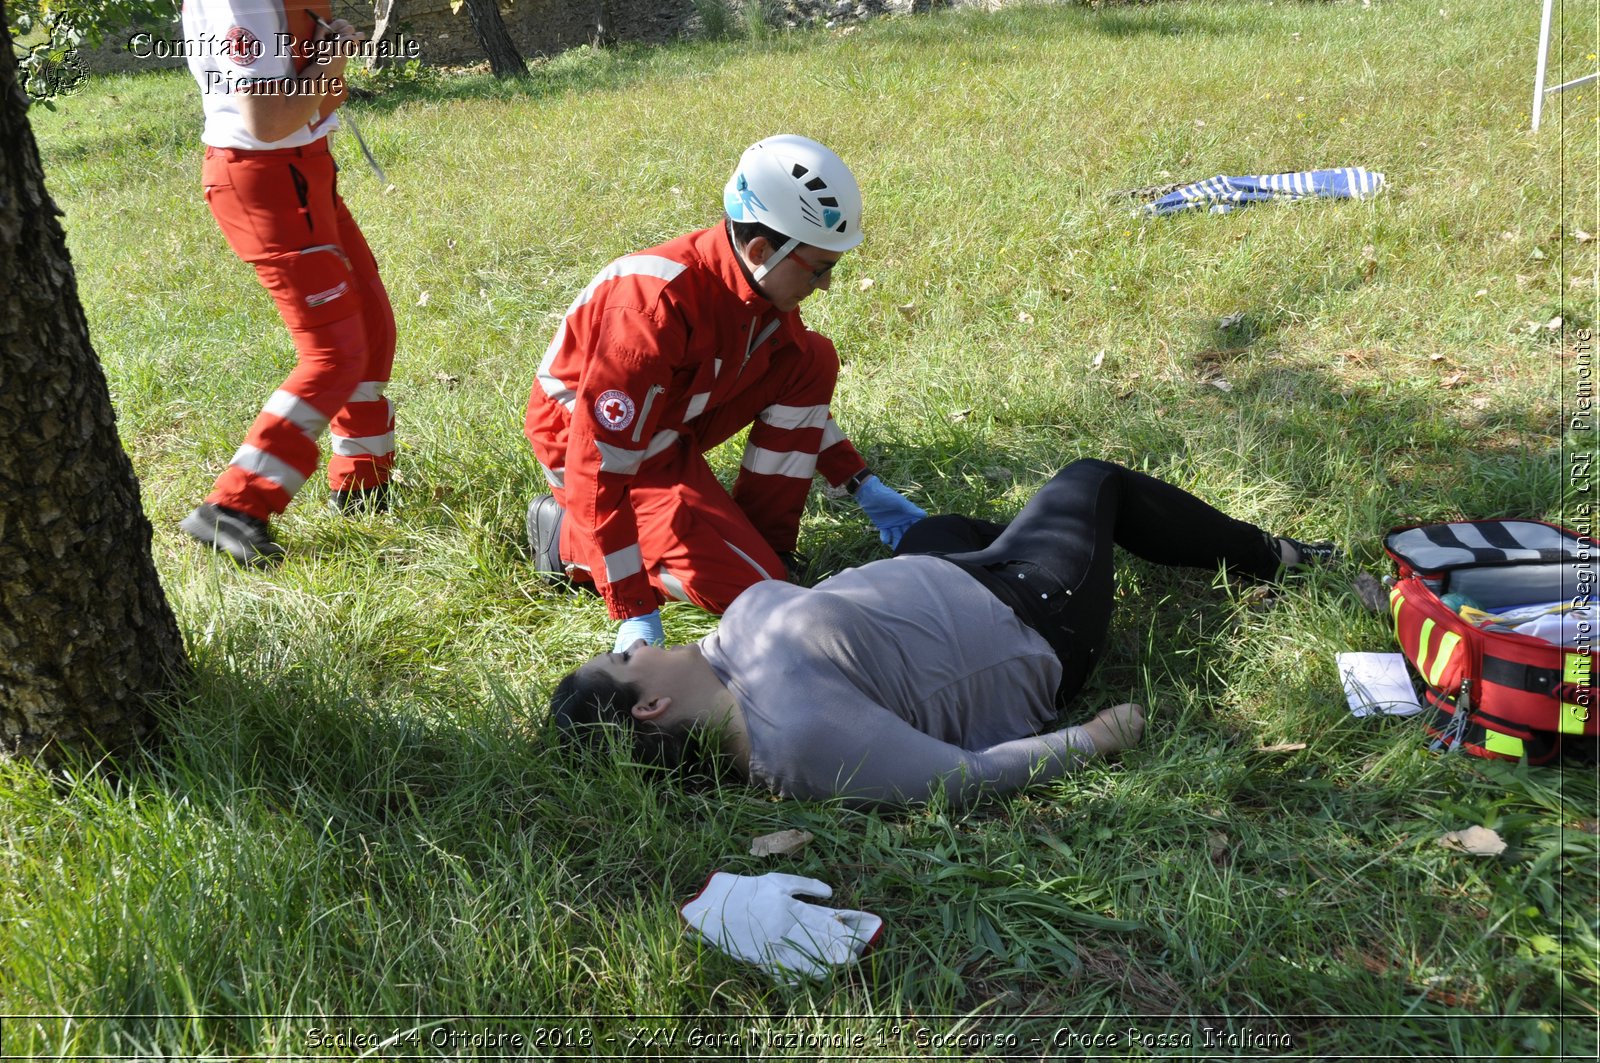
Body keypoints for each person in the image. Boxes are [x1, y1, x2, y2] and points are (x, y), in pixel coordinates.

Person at [548, 459, 1336, 810]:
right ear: (649, 705)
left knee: (945, 525)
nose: (634, 643)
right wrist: (1097, 737)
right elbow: (959, 778)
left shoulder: (727, 660)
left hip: (961, 572)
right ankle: (1279, 556)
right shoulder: (799, 737)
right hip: (1033, 614)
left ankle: (1045, 539)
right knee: (1091, 482)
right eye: (623, 660)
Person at [523, 134, 927, 652]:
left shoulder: (758, 288)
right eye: (820, 268)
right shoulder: (652, 309)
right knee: (760, 597)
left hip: (669, 420)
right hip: (590, 441)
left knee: (810, 358)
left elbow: (798, 400)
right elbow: (597, 467)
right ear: (760, 249)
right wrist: (632, 606)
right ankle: (569, 543)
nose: (825, 285)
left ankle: (762, 543)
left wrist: (861, 484)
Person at [178, 0, 398, 566]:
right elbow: (268, 119)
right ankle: (233, 506)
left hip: (305, 166)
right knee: (333, 353)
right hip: (267, 178)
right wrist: (331, 56)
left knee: (369, 326)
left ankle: (363, 487)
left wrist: (328, 49)